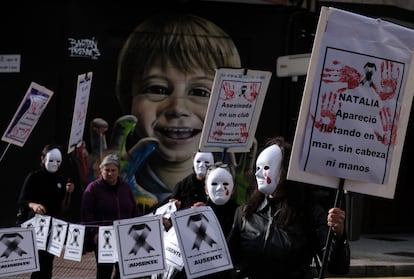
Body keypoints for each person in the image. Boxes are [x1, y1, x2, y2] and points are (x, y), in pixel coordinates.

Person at [115, 13, 242, 213]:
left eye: (200, 92)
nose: (177, 109)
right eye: (157, 89)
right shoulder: (118, 179)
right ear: (128, 98)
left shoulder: (233, 184)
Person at [227, 136, 350, 279]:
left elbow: (338, 267)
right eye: (257, 168)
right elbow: (228, 261)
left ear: (285, 171)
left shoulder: (309, 214)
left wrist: (339, 235)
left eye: (266, 168)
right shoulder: (245, 213)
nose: (258, 173)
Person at [16, 144, 75, 279]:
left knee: (48, 264)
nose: (55, 164)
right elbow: (21, 200)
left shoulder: (61, 180)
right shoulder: (34, 177)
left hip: (54, 228)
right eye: (51, 160)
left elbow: (64, 208)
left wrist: (68, 193)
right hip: (37, 226)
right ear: (43, 159)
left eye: (58, 161)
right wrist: (33, 205)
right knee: (38, 263)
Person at [81, 154, 142, 279]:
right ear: (101, 170)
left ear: (118, 171)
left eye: (113, 170)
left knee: (124, 271)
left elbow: (134, 210)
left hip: (125, 236)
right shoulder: (93, 188)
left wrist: (139, 228)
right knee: (104, 272)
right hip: (104, 238)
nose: (110, 173)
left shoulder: (125, 187)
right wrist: (94, 233)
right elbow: (87, 214)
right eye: (106, 170)